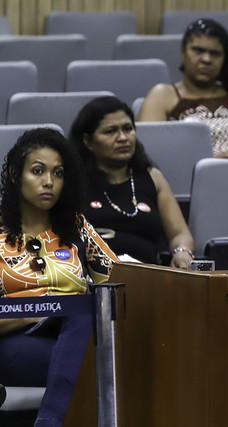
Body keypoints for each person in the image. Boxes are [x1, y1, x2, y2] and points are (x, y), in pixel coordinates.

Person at [0, 128, 119, 425]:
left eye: (58, 173)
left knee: (83, 311)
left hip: (78, 336)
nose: (49, 182)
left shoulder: (76, 226)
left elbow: (119, 282)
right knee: (93, 348)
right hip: (16, 342)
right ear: (15, 174)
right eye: (37, 171)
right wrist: (45, 307)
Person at [70, 96, 195, 268]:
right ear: (88, 141)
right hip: (90, 275)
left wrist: (181, 251)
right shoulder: (73, 181)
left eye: (128, 129)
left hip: (148, 276)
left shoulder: (153, 177)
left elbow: (179, 233)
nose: (122, 138)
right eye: (110, 131)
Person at [137, 18, 228, 158]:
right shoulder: (163, 95)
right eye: (198, 51)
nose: (206, 59)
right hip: (187, 176)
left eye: (215, 53)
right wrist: (209, 160)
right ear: (183, 52)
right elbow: (147, 154)